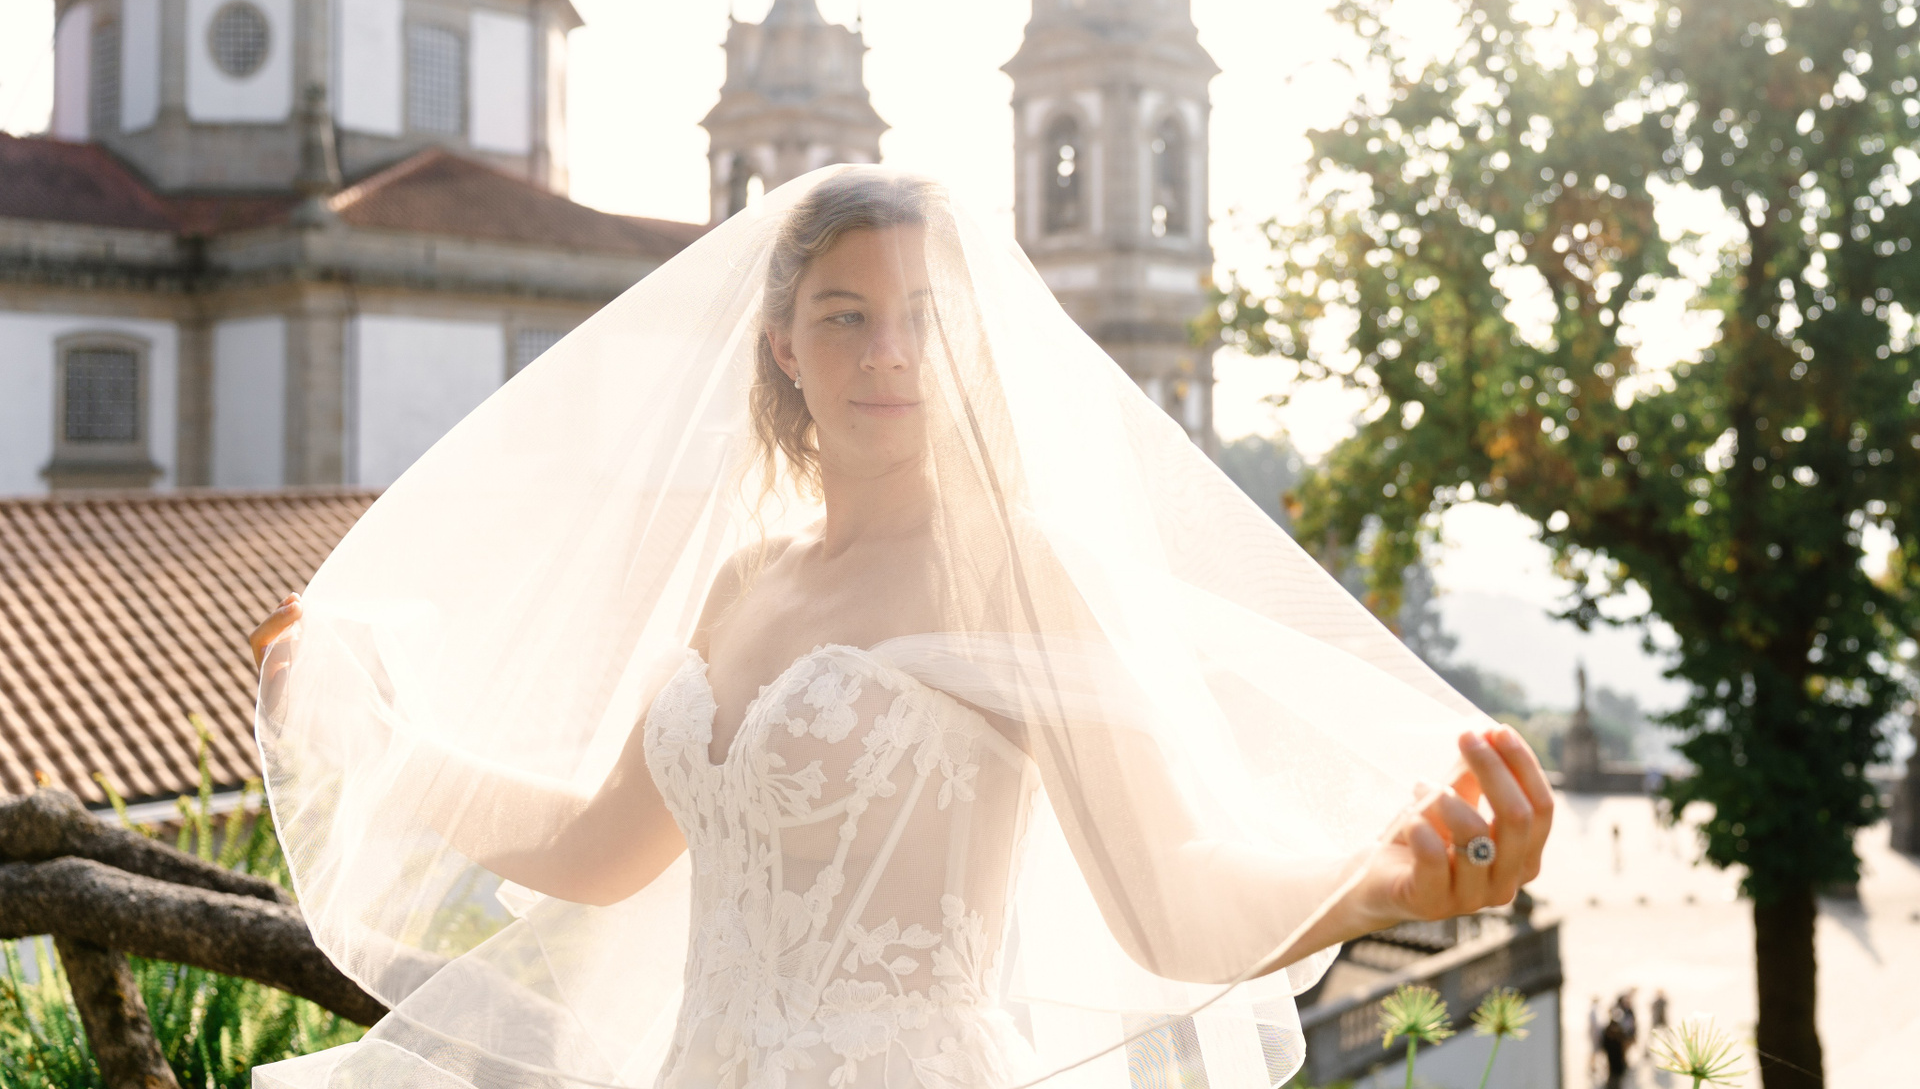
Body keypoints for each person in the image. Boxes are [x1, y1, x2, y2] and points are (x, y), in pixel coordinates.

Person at [248, 169, 1554, 1089]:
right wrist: (373, 733)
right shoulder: (746, 580)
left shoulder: (1015, 572)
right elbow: (592, 848)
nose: (889, 352)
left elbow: (1174, 896)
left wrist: (1379, 882)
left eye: (926, 319)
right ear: (783, 346)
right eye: (846, 315)